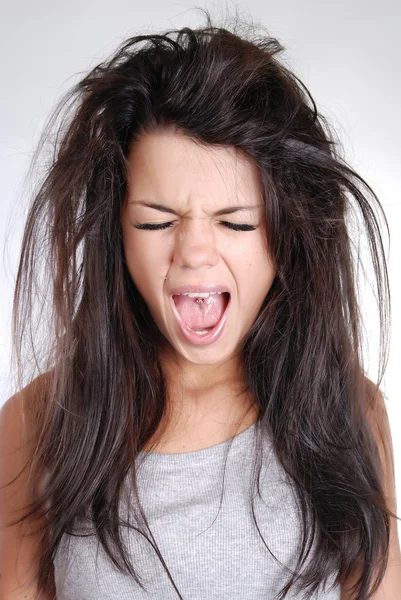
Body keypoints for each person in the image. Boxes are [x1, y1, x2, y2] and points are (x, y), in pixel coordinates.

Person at [1, 9, 400, 600]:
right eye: (156, 221)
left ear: (286, 236)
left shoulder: (348, 410)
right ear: (117, 231)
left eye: (236, 223)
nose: (194, 253)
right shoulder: (36, 424)